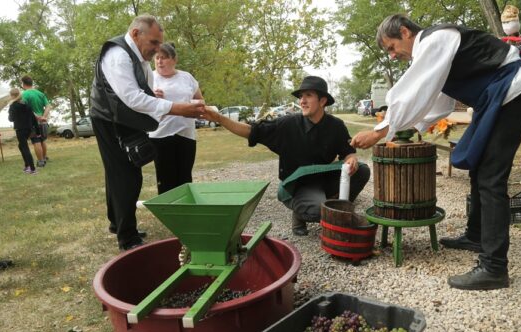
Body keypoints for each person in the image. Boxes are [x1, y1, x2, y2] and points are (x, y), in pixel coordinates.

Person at [351, 14, 521, 290]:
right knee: (479, 166)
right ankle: (476, 235)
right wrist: (413, 126)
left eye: (391, 47)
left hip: (511, 90)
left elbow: (414, 90)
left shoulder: (436, 39)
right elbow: (436, 101)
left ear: (404, 32)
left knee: (491, 177)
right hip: (496, 96)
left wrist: (382, 130)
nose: (392, 56)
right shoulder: (434, 50)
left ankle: (494, 267)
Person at [90, 14, 205, 251]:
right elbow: (132, 98)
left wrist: (156, 100)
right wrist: (178, 108)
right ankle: (128, 238)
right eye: (153, 43)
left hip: (120, 117)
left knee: (117, 172)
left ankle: (116, 223)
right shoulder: (118, 56)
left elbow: (143, 94)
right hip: (107, 119)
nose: (156, 50)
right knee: (126, 174)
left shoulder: (138, 57)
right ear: (135, 34)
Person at [201, 76, 370, 236]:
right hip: (298, 185)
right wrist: (218, 118)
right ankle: (301, 214)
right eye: (301, 96)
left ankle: (337, 207)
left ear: (323, 101)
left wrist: (351, 158)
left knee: (362, 170)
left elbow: (347, 152)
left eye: (308, 96)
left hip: (324, 180)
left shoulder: (336, 126)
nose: (302, 101)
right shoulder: (287, 124)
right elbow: (250, 131)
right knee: (318, 210)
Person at [149, 42, 203, 194]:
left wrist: (195, 106)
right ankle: (168, 214)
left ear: (174, 59)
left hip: (186, 135)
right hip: (160, 135)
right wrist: (150, 97)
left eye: (164, 58)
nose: (159, 61)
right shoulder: (149, 78)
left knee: (185, 177)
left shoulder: (187, 77)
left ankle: (186, 214)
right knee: (165, 179)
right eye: (157, 58)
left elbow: (200, 100)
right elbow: (138, 105)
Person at [20, 75, 52, 167]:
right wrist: (44, 117)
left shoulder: (24, 95)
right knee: (42, 140)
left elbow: (26, 109)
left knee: (36, 141)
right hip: (43, 122)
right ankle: (45, 157)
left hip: (32, 122)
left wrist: (36, 117)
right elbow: (48, 106)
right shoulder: (40, 93)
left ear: (23, 83)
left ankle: (41, 161)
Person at [8, 88, 40, 174]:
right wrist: (37, 131)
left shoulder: (13, 106)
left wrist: (10, 112)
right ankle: (27, 166)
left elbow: (11, 119)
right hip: (28, 129)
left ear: (13, 96)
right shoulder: (26, 104)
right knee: (21, 146)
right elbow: (34, 118)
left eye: (10, 95)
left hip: (20, 130)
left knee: (24, 147)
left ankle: (32, 169)